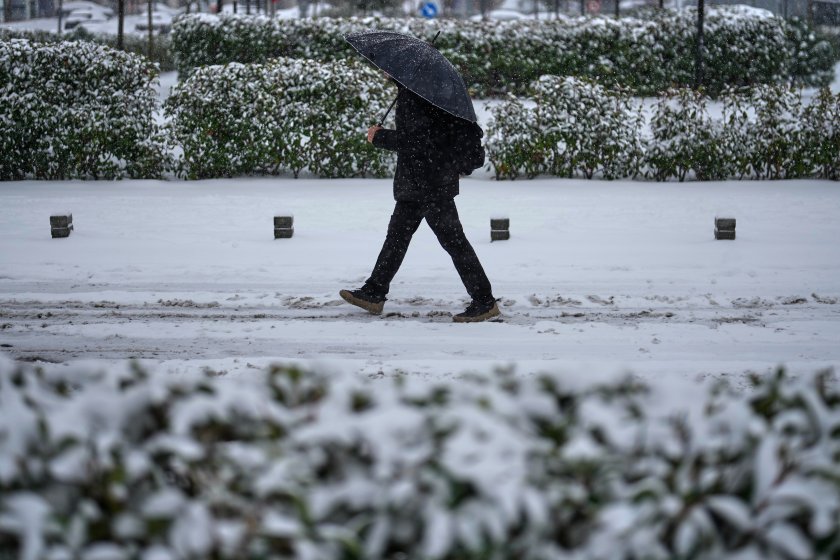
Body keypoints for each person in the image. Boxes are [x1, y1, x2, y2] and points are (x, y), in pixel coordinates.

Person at [340, 82, 499, 323]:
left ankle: (484, 301)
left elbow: (420, 141)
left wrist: (381, 137)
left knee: (453, 242)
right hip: (421, 182)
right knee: (398, 237)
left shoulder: (418, 93)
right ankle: (374, 291)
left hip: (430, 184)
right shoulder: (420, 90)